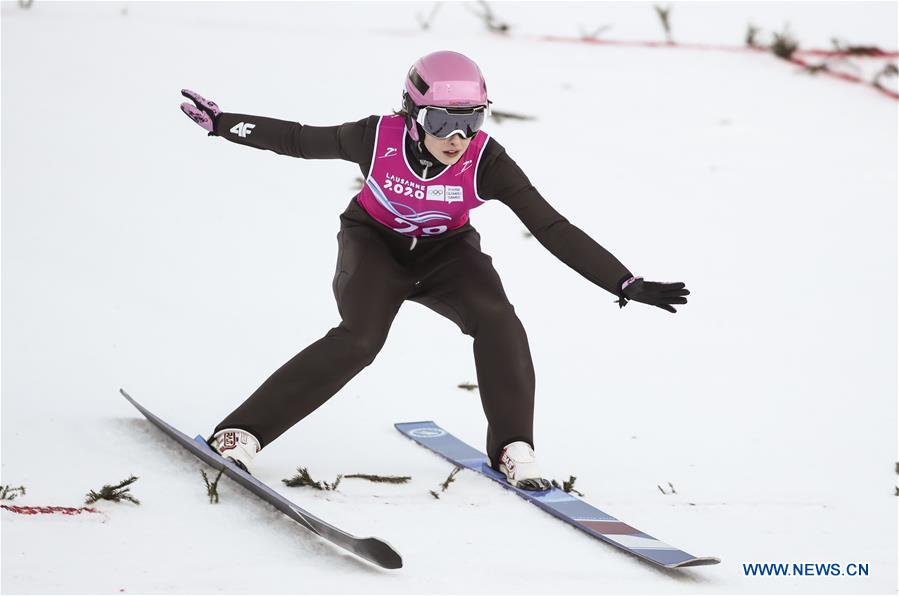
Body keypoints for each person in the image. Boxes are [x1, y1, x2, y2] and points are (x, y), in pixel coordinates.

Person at [179, 50, 689, 491]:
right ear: (413, 112)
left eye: (472, 120)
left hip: (448, 252)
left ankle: (514, 447)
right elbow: (299, 138)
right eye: (443, 121)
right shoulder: (376, 137)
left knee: (499, 321)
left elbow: (551, 226)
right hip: (374, 244)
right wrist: (225, 125)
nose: (458, 137)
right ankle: (242, 432)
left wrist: (623, 282)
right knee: (359, 340)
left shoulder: (487, 160)